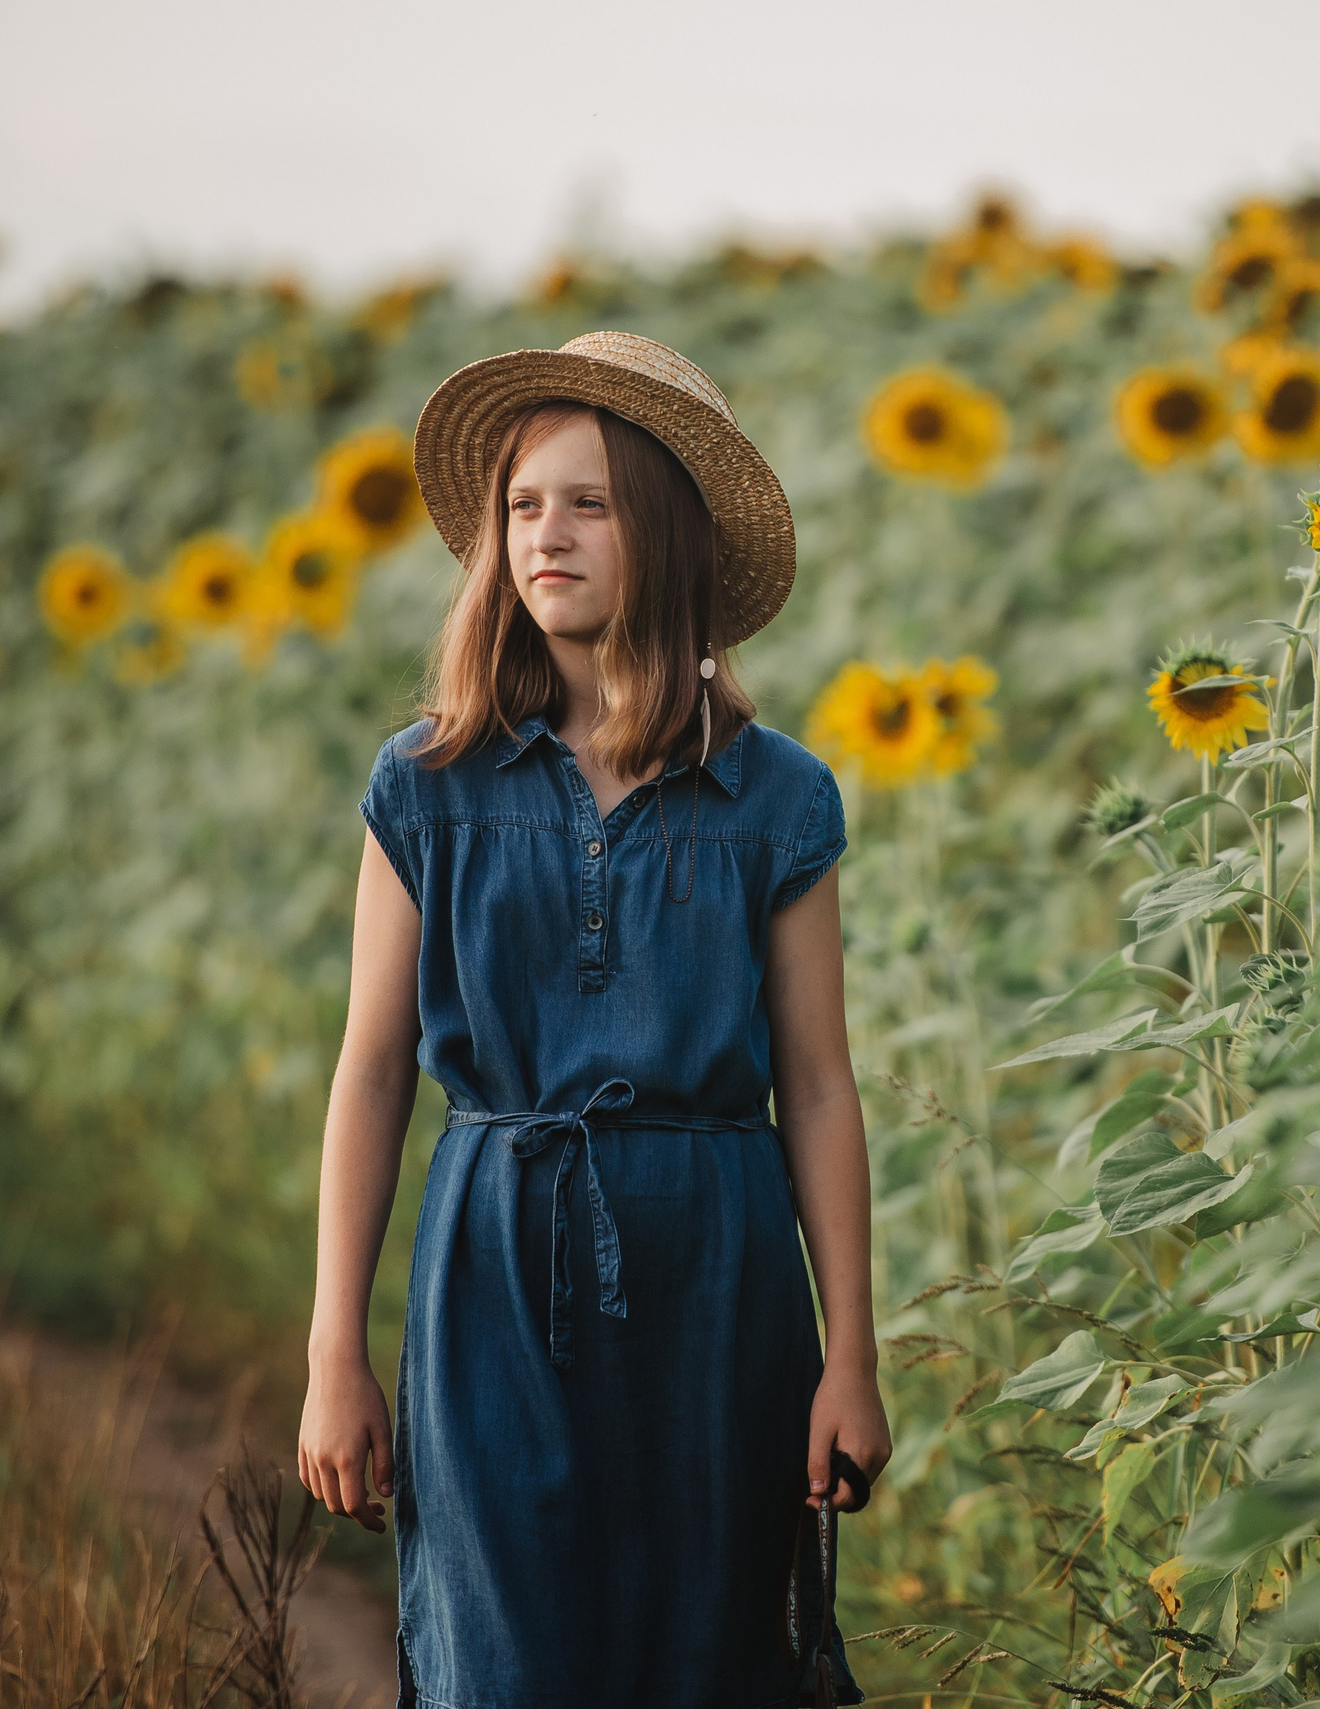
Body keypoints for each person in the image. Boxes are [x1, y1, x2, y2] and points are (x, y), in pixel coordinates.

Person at [297, 331, 891, 1708]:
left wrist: (849, 1355)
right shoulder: (426, 784)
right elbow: (375, 1070)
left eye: (588, 502)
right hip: (494, 1274)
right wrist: (335, 1352)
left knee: (709, 1663)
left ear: (668, 537)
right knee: (505, 1667)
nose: (543, 535)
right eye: (520, 505)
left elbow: (816, 1086)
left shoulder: (777, 801)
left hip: (720, 1293)